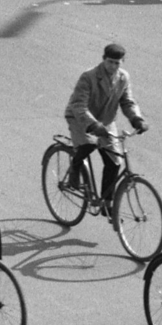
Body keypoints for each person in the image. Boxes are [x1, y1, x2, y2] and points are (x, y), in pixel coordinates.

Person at [62, 45, 147, 210]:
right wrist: (93, 124)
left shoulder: (123, 77)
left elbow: (127, 102)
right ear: (103, 59)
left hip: (106, 121)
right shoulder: (88, 77)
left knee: (114, 161)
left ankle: (107, 203)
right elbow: (78, 105)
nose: (113, 66)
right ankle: (75, 167)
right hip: (80, 118)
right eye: (110, 62)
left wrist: (136, 119)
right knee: (89, 144)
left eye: (117, 63)